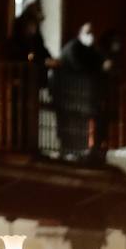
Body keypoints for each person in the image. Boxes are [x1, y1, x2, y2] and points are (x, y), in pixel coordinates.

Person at [52, 22, 106, 160]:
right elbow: (78, 66)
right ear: (80, 33)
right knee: (68, 122)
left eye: (92, 33)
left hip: (76, 94)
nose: (91, 36)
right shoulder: (73, 47)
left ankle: (77, 151)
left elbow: (98, 58)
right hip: (65, 91)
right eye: (88, 33)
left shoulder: (88, 49)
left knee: (79, 122)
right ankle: (68, 150)